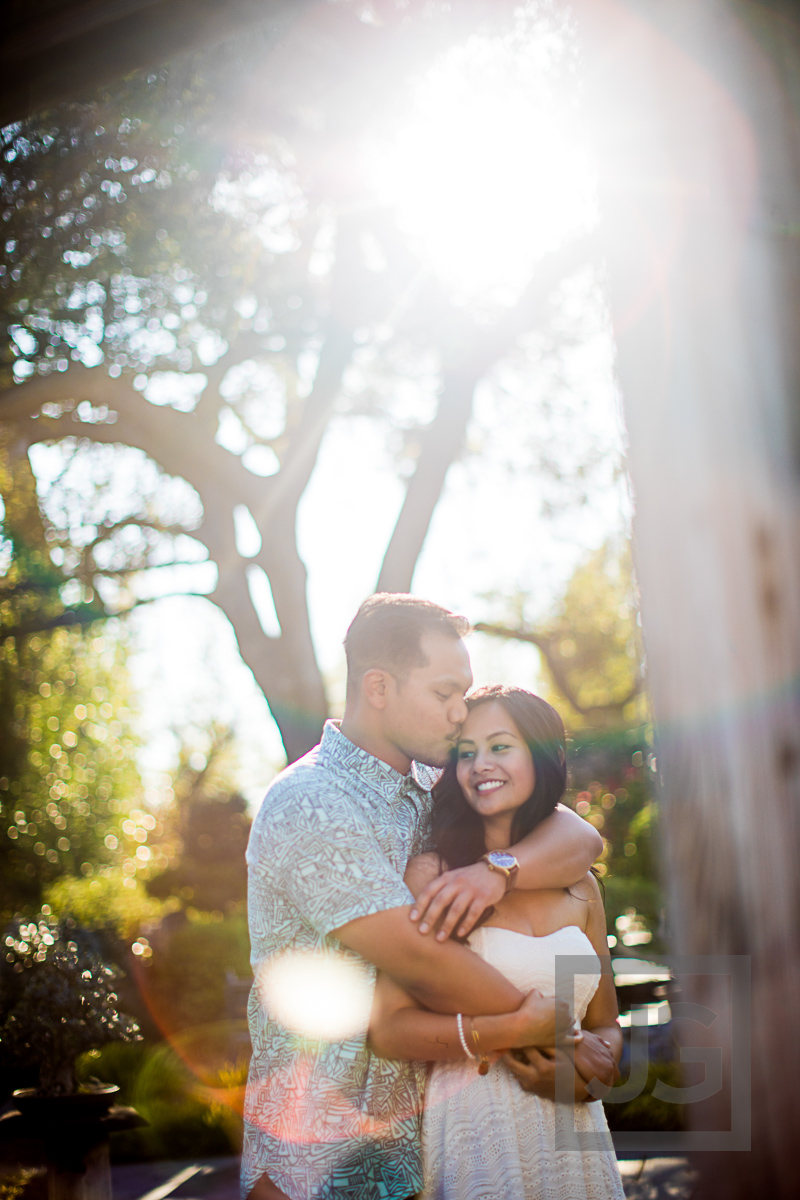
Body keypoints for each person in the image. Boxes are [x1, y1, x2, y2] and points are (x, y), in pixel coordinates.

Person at [242, 595, 603, 1200]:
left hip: (422, 1148)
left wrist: (500, 872)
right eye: (444, 694)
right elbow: (421, 959)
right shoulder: (309, 802)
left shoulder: (436, 783)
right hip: (315, 1157)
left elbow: (579, 837)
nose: (460, 713)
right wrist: (558, 1033)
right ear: (378, 687)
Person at [368, 684, 625, 1200]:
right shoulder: (432, 876)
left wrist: (593, 1077)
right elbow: (390, 1030)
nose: (480, 764)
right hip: (476, 1128)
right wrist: (505, 1031)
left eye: (500, 746)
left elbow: (605, 1025)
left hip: (576, 1132)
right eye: (466, 752)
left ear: (543, 756)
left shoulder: (582, 885)